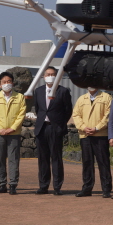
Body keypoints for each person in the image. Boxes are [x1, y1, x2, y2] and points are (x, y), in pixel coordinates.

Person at [32, 66, 73, 195]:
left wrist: (60, 124)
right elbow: (39, 110)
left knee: (56, 158)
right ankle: (43, 186)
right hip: (42, 128)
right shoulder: (38, 91)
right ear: (44, 76)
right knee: (42, 158)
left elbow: (68, 111)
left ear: (57, 76)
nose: (50, 76)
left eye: (53, 74)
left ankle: (57, 186)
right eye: (48, 74)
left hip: (56, 128)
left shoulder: (63, 91)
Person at [0, 71, 27, 195]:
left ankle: (13, 184)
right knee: (0, 159)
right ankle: (2, 184)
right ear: (0, 85)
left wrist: (12, 128)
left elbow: (21, 115)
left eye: (9, 81)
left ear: (13, 83)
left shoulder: (20, 97)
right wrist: (0, 128)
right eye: (4, 82)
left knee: (13, 159)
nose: (6, 84)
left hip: (14, 133)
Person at [72, 86, 113, 198]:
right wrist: (84, 127)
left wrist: (97, 128)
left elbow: (108, 115)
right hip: (85, 135)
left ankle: (106, 189)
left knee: (103, 162)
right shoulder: (81, 99)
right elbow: (76, 115)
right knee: (87, 163)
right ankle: (87, 188)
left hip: (100, 135)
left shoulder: (107, 97)